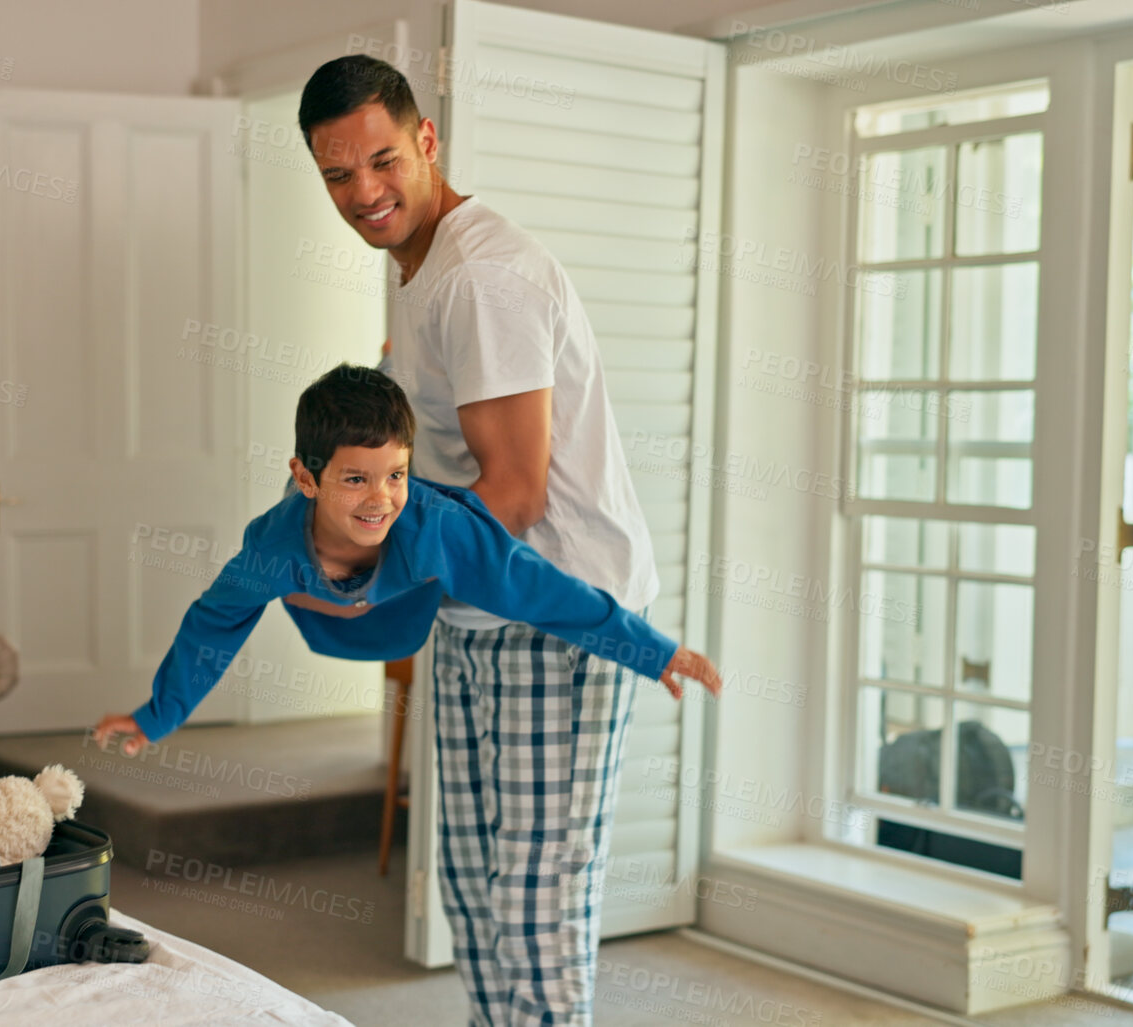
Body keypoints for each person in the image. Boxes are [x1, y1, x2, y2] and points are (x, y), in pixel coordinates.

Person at [295, 55, 691, 1025]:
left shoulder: (483, 277)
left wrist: (368, 572)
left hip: (552, 611)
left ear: (428, 141)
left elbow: (510, 494)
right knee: (476, 890)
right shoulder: (420, 269)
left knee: (535, 899)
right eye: (338, 174)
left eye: (383, 160)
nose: (365, 193)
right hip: (478, 608)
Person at [91, 364, 718, 756]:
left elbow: (544, 592)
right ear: (307, 479)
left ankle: (390, 371)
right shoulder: (273, 548)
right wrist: (155, 718)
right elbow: (211, 628)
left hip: (403, 611)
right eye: (357, 479)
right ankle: (367, 402)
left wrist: (651, 649)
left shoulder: (431, 526)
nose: (380, 498)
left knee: (445, 536)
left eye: (395, 474)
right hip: (324, 614)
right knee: (295, 556)